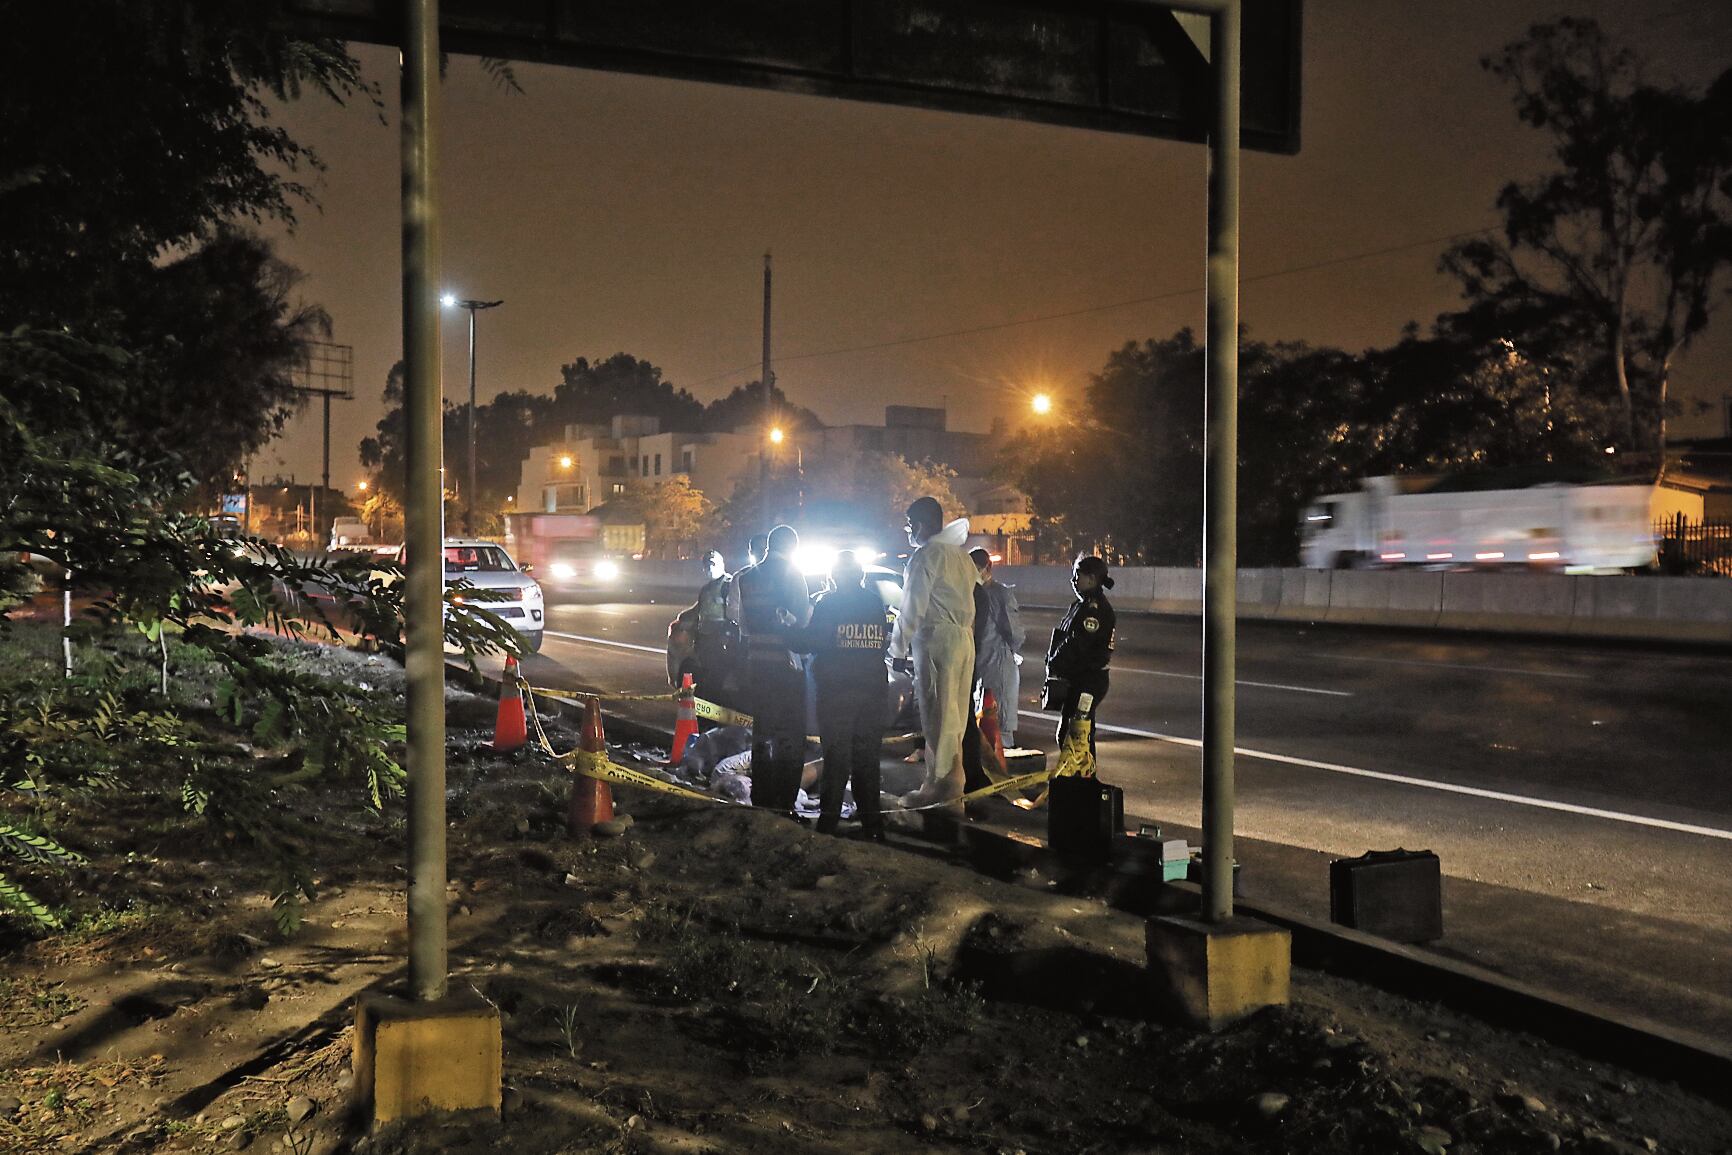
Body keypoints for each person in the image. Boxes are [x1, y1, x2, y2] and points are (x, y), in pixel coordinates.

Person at [792, 551, 890, 838]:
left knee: (836, 759)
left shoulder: (829, 603)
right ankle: (874, 826)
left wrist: (785, 629)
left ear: (833, 577)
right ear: (860, 576)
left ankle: (828, 823)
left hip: (837, 693)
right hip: (872, 692)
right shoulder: (874, 603)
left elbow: (811, 641)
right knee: (867, 760)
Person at [888, 496, 976, 807]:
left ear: (921, 525)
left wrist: (897, 647)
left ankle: (940, 787)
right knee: (956, 716)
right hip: (964, 640)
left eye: (910, 524)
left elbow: (913, 608)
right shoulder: (960, 556)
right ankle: (952, 782)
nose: (907, 530)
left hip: (937, 640)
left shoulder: (926, 557)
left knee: (938, 713)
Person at [733, 524, 811, 814]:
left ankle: (762, 796)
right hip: (786, 665)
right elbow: (802, 621)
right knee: (789, 735)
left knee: (763, 732)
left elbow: (741, 623)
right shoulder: (793, 575)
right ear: (792, 548)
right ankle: (785, 799)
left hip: (758, 665)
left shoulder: (747, 578)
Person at [1043, 555, 1116, 765]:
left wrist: (1054, 662)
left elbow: (1077, 644)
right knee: (1072, 736)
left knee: (1075, 737)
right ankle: (1078, 784)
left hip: (1088, 682)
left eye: (1078, 576)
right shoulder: (1081, 604)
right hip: (1079, 680)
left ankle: (1082, 786)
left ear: (1092, 579)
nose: (1073, 580)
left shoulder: (1094, 609)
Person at [969, 548, 1023, 749]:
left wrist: (1010, 653)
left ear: (987, 568)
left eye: (977, 568)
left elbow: (1014, 632)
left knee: (1000, 724)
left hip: (998, 663)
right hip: (981, 665)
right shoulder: (973, 593)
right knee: (982, 721)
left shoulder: (1000, 594)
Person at [668, 550, 737, 696]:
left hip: (720, 640)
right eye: (707, 566)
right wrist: (681, 618)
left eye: (712, 564)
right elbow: (698, 610)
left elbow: (734, 613)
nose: (710, 568)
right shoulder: (707, 589)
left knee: (716, 679)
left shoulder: (728, 586)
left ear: (721, 565)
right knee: (707, 678)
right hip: (705, 640)